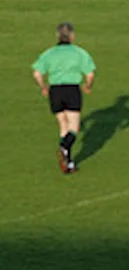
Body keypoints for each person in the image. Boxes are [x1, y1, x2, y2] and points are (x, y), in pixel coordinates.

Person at [31, 22, 96, 174]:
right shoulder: (79, 53)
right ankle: (64, 148)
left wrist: (43, 87)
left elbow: (37, 73)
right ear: (72, 36)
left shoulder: (49, 53)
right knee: (73, 127)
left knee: (63, 126)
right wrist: (87, 85)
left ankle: (68, 163)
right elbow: (90, 74)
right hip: (72, 89)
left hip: (55, 90)